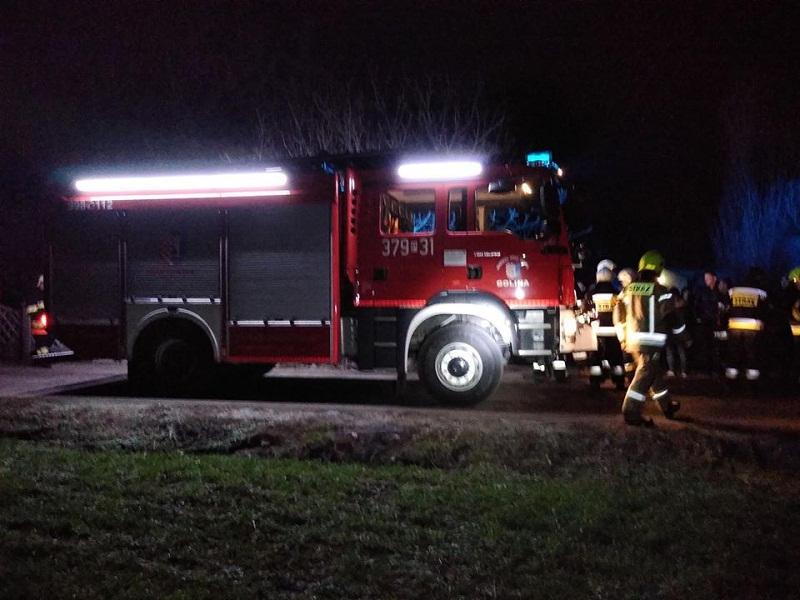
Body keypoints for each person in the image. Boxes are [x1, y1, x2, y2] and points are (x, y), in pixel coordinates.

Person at [613, 250, 685, 427]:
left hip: (632, 341)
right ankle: (631, 411)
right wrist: (684, 337)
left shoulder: (627, 290)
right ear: (658, 269)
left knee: (654, 374)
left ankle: (667, 406)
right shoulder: (661, 291)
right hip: (652, 343)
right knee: (644, 376)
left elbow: (618, 315)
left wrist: (622, 337)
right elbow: (671, 316)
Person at [584, 259, 626, 390]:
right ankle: (619, 382)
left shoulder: (591, 294)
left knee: (595, 358)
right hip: (614, 331)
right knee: (616, 358)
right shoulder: (617, 293)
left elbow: (586, 311)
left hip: (596, 332)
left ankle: (595, 382)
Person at [724, 268, 770, 384]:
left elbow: (726, 308)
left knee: (734, 352)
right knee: (752, 353)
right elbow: (765, 310)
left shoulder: (734, 290)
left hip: (734, 326)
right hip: (753, 328)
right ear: (758, 277)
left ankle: (731, 379)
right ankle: (752, 381)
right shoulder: (760, 291)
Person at [692, 270, 723, 376]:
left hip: (717, 323)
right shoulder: (702, 292)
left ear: (714, 278)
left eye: (708, 278)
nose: (706, 281)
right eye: (705, 279)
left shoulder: (720, 292)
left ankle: (717, 369)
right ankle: (707, 369)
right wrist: (698, 317)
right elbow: (697, 306)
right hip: (705, 323)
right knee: (706, 346)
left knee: (718, 346)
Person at [665, 287, 690, 378]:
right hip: (681, 333)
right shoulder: (682, 305)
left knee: (670, 352)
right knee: (682, 352)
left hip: (670, 333)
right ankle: (684, 372)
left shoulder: (667, 305)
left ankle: (672, 370)